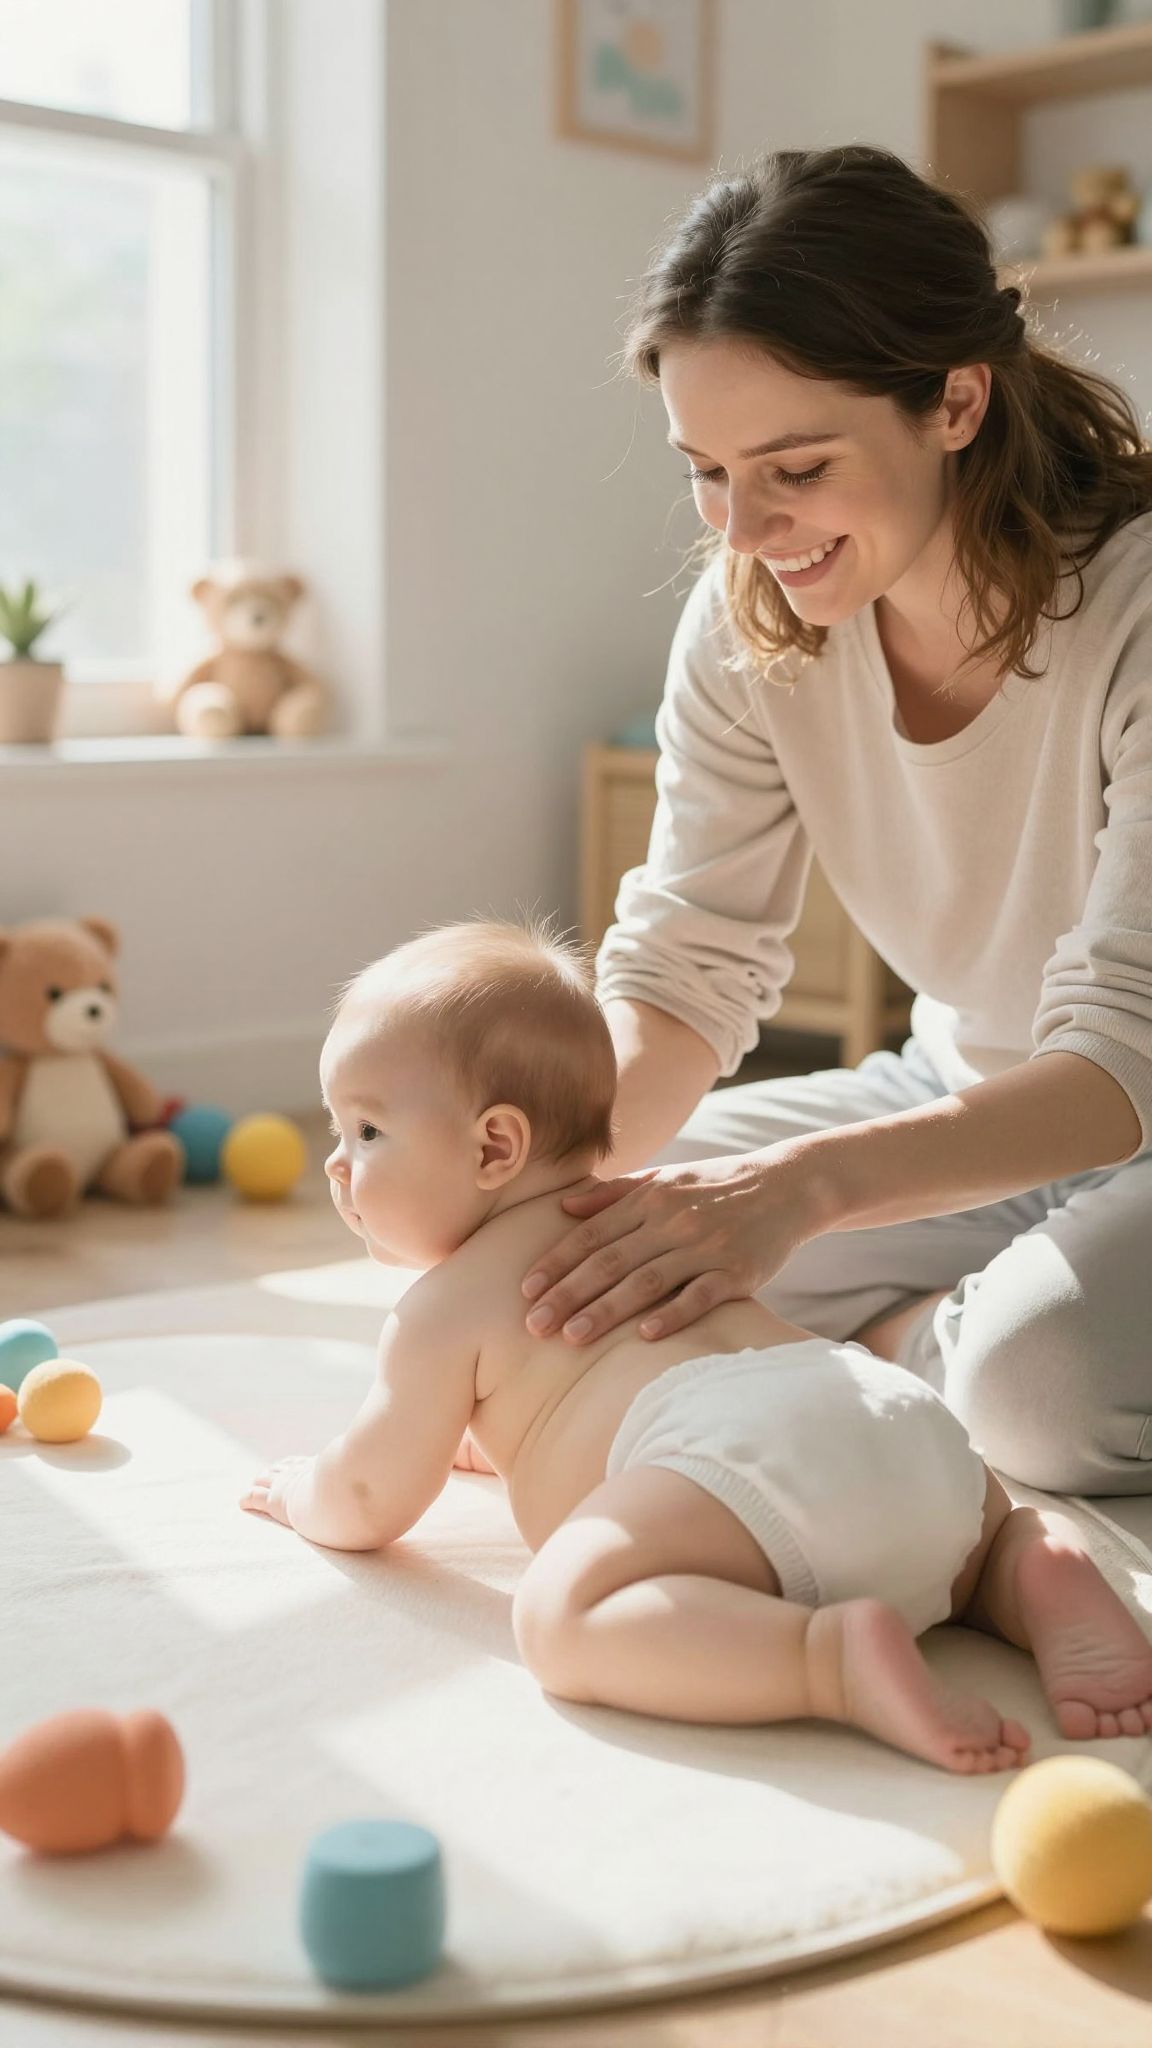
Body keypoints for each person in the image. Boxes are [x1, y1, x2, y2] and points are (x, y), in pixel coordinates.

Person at [516, 143, 1152, 1498]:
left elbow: (1123, 1062)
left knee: (1045, 1390)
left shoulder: (1137, 613)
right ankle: (926, 1347)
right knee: (554, 1261)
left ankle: (908, 1344)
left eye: (795, 468)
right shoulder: (748, 627)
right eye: (706, 471)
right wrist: (538, 1194)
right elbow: (685, 972)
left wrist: (801, 1194)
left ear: (958, 402)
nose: (744, 529)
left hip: (1133, 1120)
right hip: (958, 1097)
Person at [241, 920, 1152, 1773]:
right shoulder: (661, 1220)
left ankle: (827, 1659)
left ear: (495, 1148)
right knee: (965, 1549)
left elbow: (370, 1494)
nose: (336, 1162)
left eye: (365, 1130)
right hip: (901, 1429)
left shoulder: (440, 1312)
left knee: (563, 1613)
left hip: (748, 1471)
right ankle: (1025, 1561)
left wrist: (303, 1492)